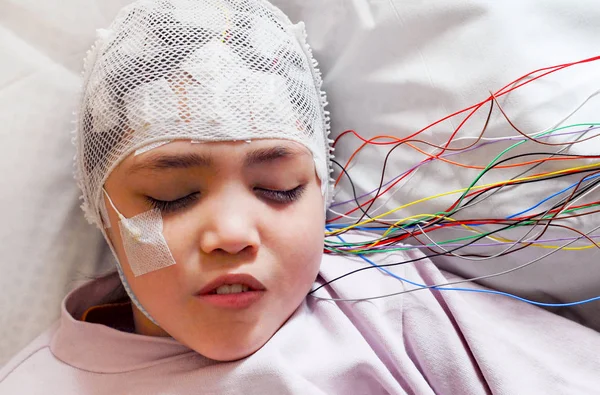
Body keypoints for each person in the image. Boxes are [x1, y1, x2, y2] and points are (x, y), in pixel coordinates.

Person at [1, 0, 599, 393]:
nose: (233, 232)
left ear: (322, 189)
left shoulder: (392, 310)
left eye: (279, 190)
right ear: (100, 212)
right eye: (172, 197)